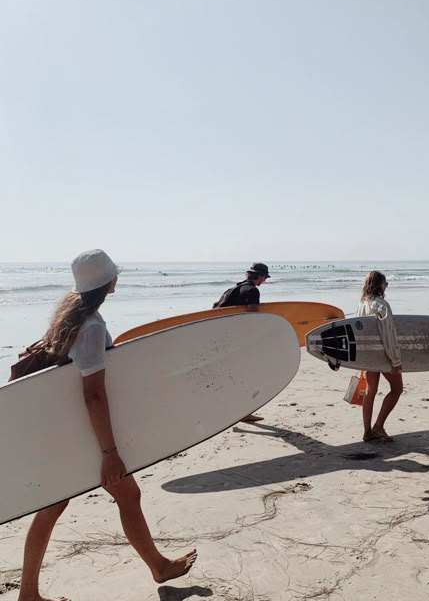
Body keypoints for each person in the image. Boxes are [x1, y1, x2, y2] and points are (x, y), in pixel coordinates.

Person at [18, 249, 197, 601]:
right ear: (109, 282)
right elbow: (93, 394)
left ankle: (28, 594)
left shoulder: (70, 318)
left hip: (64, 430)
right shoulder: (93, 326)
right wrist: (109, 453)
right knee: (122, 494)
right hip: (85, 434)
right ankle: (158, 567)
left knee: (64, 504)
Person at [213, 262, 270, 422]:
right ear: (260, 276)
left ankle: (234, 409)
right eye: (264, 277)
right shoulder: (252, 291)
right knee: (245, 374)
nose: (264, 281)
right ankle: (243, 412)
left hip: (223, 338)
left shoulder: (232, 290)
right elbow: (253, 317)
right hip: (237, 341)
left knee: (235, 375)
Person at [357, 270, 403, 442]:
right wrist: (395, 360)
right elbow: (388, 336)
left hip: (369, 356)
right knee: (397, 389)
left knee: (371, 391)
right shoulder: (382, 305)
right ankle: (378, 426)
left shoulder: (361, 305)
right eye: (386, 283)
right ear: (379, 285)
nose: (386, 287)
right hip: (383, 356)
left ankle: (367, 431)